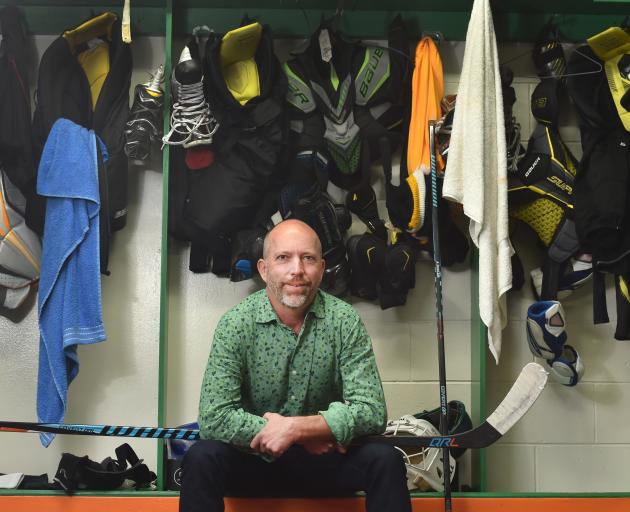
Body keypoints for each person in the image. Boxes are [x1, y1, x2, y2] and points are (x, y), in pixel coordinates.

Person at [179, 219, 412, 512]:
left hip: (324, 464)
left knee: (384, 458)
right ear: (264, 270)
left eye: (308, 258)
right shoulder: (235, 324)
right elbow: (214, 417)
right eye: (283, 258)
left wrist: (295, 430)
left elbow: (372, 411)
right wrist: (298, 434)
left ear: (322, 268)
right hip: (253, 462)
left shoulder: (344, 320)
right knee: (202, 457)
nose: (297, 270)